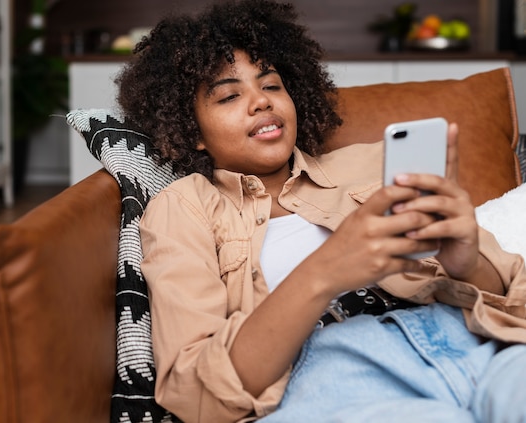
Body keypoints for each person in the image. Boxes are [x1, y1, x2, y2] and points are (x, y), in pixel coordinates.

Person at [116, 1, 526, 422]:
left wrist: (466, 261)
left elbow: (515, 300)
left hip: (467, 340)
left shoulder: (375, 163)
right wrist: (324, 271)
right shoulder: (185, 206)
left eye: (272, 85)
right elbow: (196, 392)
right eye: (229, 95)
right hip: (336, 376)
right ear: (192, 130)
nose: (261, 101)